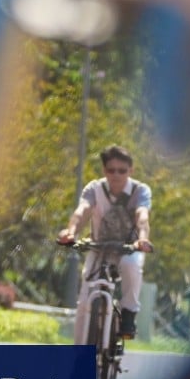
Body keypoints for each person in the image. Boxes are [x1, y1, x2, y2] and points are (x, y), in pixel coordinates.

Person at [57, 145, 154, 340]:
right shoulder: (95, 188)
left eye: (122, 170)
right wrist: (71, 231)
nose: (116, 175)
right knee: (84, 303)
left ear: (131, 170)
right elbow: (82, 211)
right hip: (99, 248)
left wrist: (143, 238)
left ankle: (128, 314)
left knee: (131, 265)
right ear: (104, 171)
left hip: (129, 248)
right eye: (111, 170)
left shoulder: (140, 191)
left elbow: (142, 216)